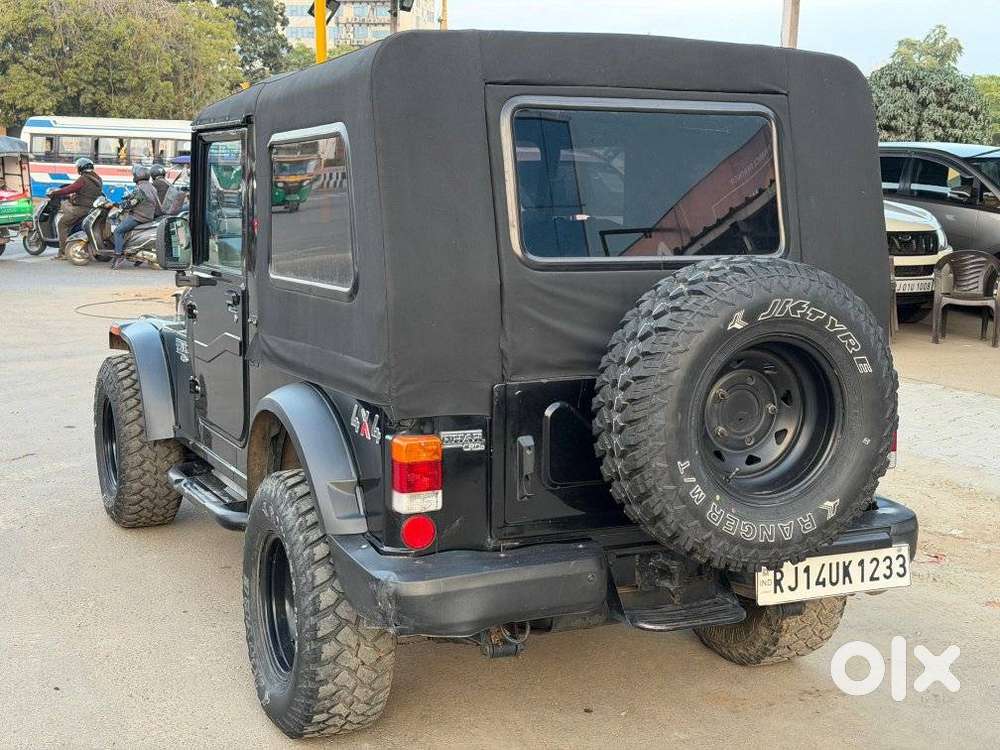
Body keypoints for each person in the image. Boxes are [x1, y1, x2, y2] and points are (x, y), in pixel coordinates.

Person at [48, 157, 103, 260]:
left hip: (81, 209)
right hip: (92, 208)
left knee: (62, 224)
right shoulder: (98, 179)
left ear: (81, 168)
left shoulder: (83, 178)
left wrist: (55, 192)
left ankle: (63, 252)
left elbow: (70, 188)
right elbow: (86, 192)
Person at [111, 165, 158, 270]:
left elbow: (132, 203)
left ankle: (118, 255)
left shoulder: (140, 189)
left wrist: (119, 205)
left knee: (118, 231)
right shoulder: (151, 187)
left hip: (139, 217)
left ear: (137, 176)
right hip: (149, 216)